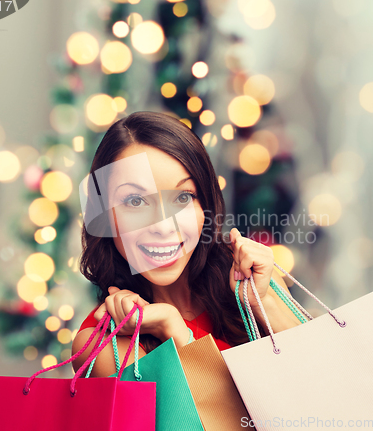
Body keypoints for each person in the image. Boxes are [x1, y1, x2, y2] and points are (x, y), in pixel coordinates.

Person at [71, 111, 303, 378]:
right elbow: (235, 418)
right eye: (135, 201)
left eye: (182, 197)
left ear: (204, 204)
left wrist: (264, 303)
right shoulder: (105, 344)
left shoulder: (255, 277)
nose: (163, 226)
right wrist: (174, 330)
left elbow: (328, 380)